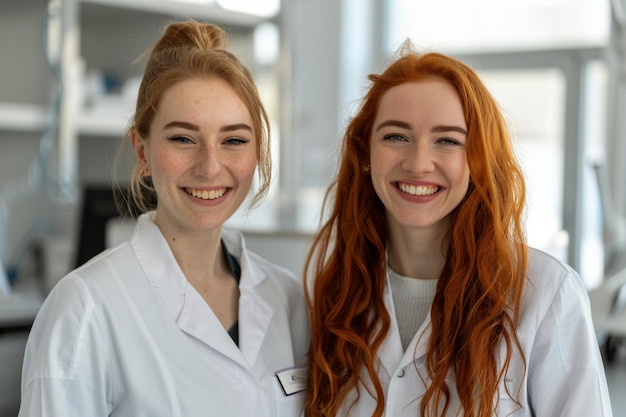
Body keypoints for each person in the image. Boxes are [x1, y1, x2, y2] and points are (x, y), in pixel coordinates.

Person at [304, 42, 613, 417]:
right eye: (395, 137)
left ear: (478, 161)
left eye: (447, 140)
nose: (419, 163)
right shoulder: (333, 291)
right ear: (365, 154)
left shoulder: (546, 293)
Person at [19, 20, 309, 417]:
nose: (210, 167)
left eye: (234, 141)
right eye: (183, 139)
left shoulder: (286, 297)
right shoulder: (85, 307)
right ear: (142, 152)